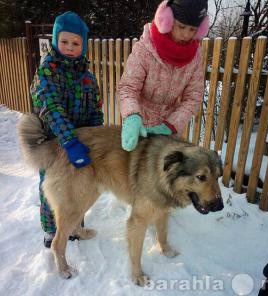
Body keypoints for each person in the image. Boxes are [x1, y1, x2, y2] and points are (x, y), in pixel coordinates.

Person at [30, 11, 104, 248]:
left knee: (80, 185)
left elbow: (96, 109)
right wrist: (69, 141)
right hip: (52, 144)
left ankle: (74, 225)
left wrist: (94, 138)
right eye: (64, 41)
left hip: (81, 143)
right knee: (51, 188)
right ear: (54, 40)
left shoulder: (89, 78)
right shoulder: (47, 72)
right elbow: (50, 108)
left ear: (82, 45)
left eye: (75, 43)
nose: (69, 47)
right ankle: (52, 230)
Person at [117, 0, 209, 152]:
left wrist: (170, 125)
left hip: (170, 131)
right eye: (181, 26)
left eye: (193, 29)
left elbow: (194, 97)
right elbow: (128, 87)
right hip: (140, 126)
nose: (186, 35)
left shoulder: (196, 56)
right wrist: (132, 116)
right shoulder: (145, 48)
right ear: (168, 19)